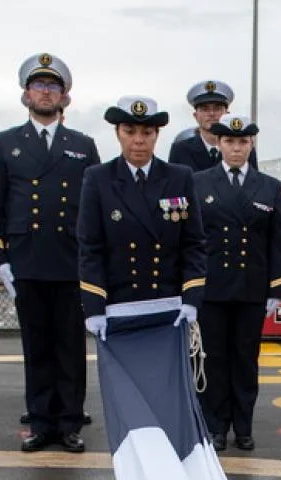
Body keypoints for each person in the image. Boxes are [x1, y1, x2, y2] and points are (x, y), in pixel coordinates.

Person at [0, 53, 99, 453]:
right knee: (36, 346)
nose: (45, 93)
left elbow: (94, 208)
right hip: (27, 260)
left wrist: (94, 263)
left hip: (69, 261)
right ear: (25, 94)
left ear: (64, 97)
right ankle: (40, 420)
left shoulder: (82, 145)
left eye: (53, 87)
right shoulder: (6, 143)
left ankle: (69, 421)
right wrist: (0, 261)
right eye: (39, 86)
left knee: (69, 346)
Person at [192, 113, 281, 452]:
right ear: (219, 144)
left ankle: (243, 426)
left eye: (243, 142)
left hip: (251, 288)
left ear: (251, 144)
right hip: (212, 287)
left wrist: (276, 289)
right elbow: (191, 241)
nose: (236, 148)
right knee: (213, 360)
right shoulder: (199, 182)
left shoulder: (268, 186)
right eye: (230, 142)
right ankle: (215, 426)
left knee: (246, 360)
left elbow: (277, 242)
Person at [77, 94, 206, 338]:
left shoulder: (179, 177)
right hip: (119, 303)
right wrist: (94, 307)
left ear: (157, 135)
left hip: (168, 303)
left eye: (147, 132)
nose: (138, 141)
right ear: (117, 133)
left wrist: (191, 298)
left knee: (166, 376)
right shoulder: (98, 178)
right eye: (130, 131)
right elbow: (91, 248)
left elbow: (193, 244)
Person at [167, 80, 256, 171]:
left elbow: (254, 182)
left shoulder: (245, 150)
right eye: (205, 109)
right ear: (195, 116)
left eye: (217, 108)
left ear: (227, 114)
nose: (212, 113)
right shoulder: (180, 150)